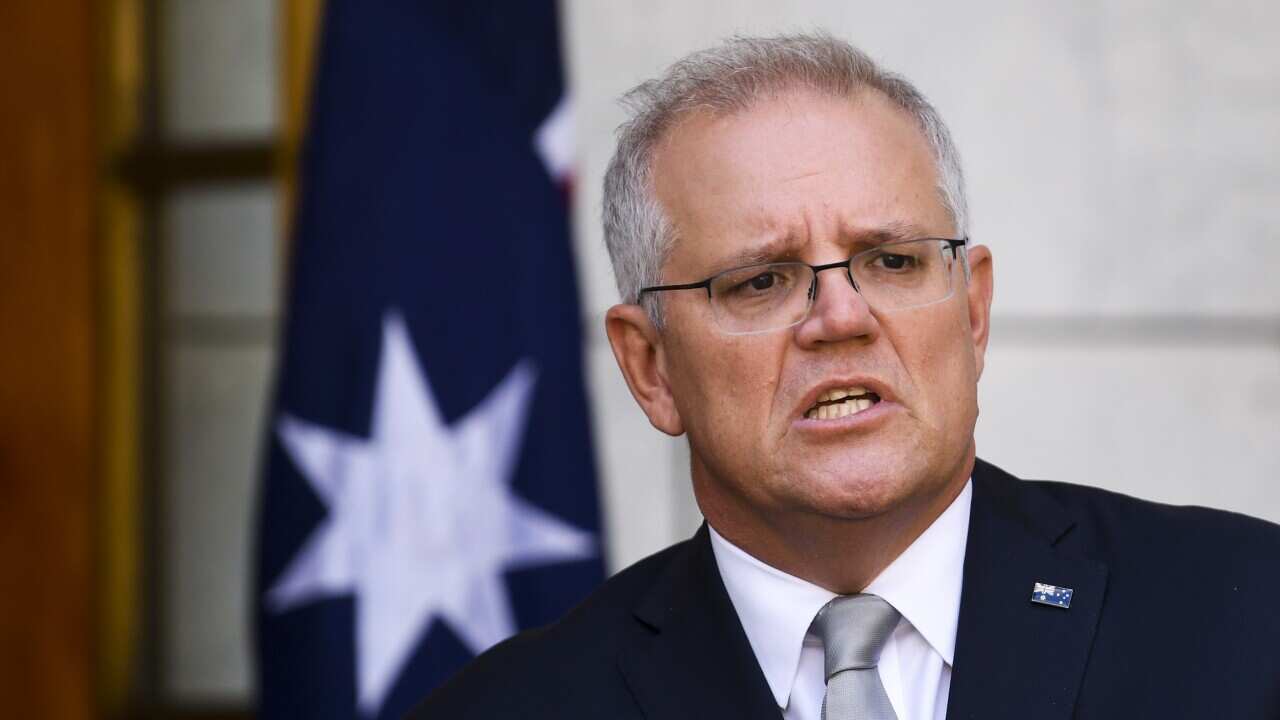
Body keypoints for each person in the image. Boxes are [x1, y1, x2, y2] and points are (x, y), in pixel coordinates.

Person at [411, 33, 1280, 719]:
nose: (841, 317)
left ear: (972, 314)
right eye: (760, 280)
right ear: (651, 367)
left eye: (894, 262)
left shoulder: (1247, 626)